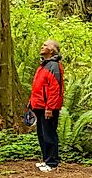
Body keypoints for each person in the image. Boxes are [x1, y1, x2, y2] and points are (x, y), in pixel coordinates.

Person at [30, 39, 63, 172]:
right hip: (39, 106)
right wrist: (31, 103)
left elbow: (55, 89)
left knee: (49, 134)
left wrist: (50, 108)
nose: (42, 46)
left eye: (45, 45)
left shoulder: (54, 66)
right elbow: (38, 86)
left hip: (48, 108)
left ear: (52, 50)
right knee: (42, 134)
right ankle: (46, 160)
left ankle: (52, 163)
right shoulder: (44, 64)